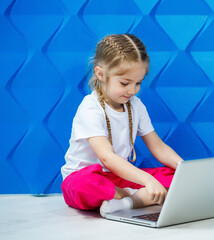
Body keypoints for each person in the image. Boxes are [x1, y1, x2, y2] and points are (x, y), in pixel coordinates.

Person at [60, 34, 183, 217]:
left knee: (175, 177)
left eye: (138, 83)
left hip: (119, 177)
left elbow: (158, 147)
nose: (132, 90)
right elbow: (107, 158)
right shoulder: (90, 107)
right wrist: (147, 180)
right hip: (88, 178)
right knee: (83, 184)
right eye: (125, 83)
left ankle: (125, 202)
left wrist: (185, 170)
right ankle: (132, 195)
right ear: (100, 74)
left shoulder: (136, 105)